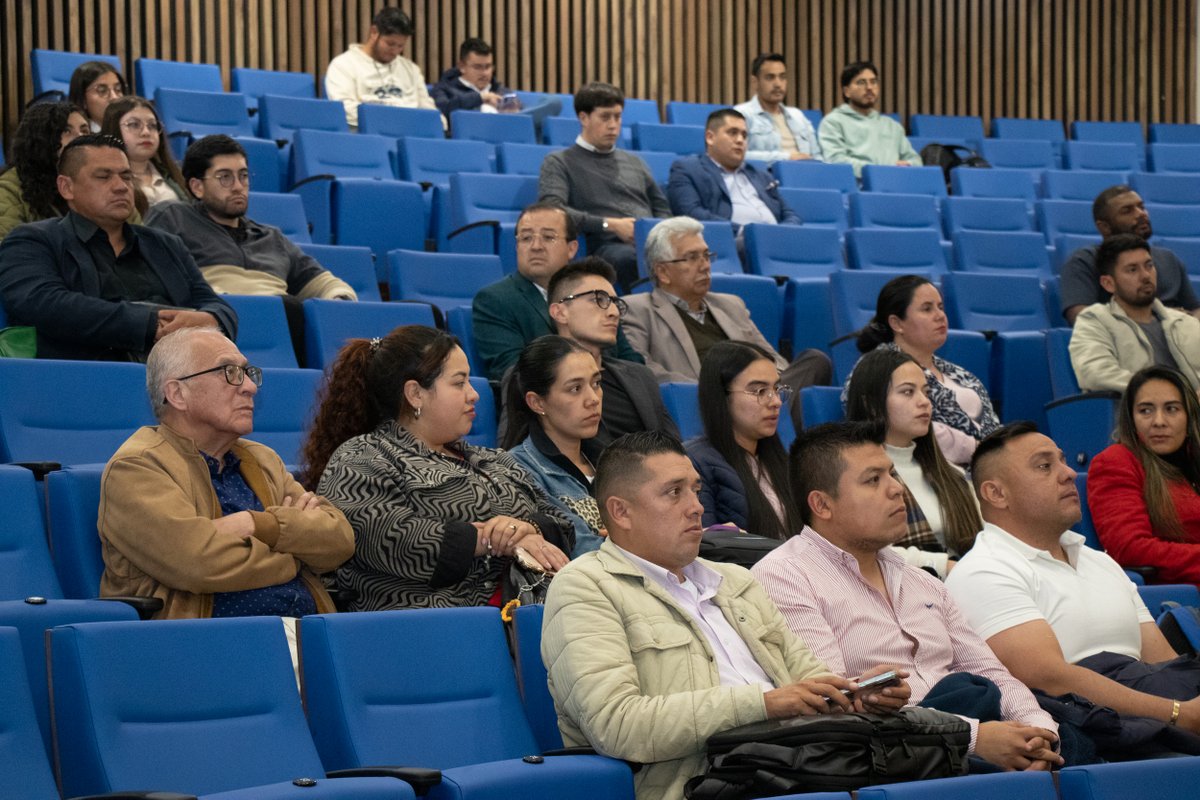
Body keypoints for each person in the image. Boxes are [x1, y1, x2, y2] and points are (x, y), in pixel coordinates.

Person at [542, 430, 911, 800]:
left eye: (695, 490)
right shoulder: (586, 586)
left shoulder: (734, 581)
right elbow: (617, 725)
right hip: (696, 785)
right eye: (674, 492)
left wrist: (853, 694)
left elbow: (808, 678)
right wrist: (763, 705)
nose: (696, 507)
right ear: (621, 511)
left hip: (795, 767)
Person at [752, 422, 1063, 772]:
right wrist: (976, 737)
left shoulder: (920, 580)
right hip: (893, 755)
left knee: (995, 695)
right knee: (967, 691)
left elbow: (991, 670)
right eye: (873, 480)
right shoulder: (783, 577)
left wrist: (1039, 732)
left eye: (892, 475)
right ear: (822, 504)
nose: (897, 489)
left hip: (980, 737)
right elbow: (832, 702)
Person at [946, 422, 1200, 738]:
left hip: (1156, 720)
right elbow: (1050, 682)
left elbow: (1165, 665)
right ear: (996, 493)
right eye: (1044, 466)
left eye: (1063, 461)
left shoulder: (1101, 562)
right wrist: (1178, 713)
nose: (1068, 473)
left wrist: (1185, 710)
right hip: (1093, 734)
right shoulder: (983, 570)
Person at [302, 325, 573, 611]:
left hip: (531, 610)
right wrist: (491, 540)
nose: (474, 394)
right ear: (415, 394)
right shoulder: (362, 457)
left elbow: (562, 523)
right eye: (459, 383)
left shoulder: (494, 459)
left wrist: (526, 529)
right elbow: (385, 540)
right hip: (427, 627)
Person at [99, 327, 353, 620]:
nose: (250, 387)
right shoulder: (137, 467)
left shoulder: (262, 458)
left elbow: (339, 540)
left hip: (307, 632)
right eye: (229, 372)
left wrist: (257, 525)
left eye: (247, 373)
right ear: (178, 393)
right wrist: (298, 555)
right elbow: (196, 563)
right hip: (211, 646)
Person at [0, 134, 235, 361]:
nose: (121, 186)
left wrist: (208, 319)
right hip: (83, 377)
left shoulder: (166, 244)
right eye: (104, 177)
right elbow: (48, 305)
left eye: (126, 176)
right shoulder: (32, 241)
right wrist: (148, 323)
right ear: (66, 187)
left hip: (176, 375)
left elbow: (216, 306)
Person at [623, 216, 832, 428]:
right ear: (663, 272)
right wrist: (714, 389)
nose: (705, 265)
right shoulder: (637, 310)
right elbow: (642, 370)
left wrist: (761, 389)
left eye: (706, 256)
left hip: (759, 393)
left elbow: (772, 358)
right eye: (692, 257)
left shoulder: (731, 305)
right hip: (707, 403)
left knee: (815, 360)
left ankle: (766, 426)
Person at [146, 134, 355, 300]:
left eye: (243, 176)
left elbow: (323, 282)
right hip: (214, 324)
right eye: (225, 177)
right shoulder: (173, 217)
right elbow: (153, 280)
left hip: (283, 321)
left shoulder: (271, 237)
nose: (238, 187)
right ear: (197, 187)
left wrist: (338, 299)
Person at [845, 347, 984, 576]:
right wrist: (945, 566)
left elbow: (987, 539)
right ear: (871, 403)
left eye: (926, 392)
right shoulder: (854, 476)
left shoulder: (953, 474)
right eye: (908, 392)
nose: (925, 403)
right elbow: (862, 550)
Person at [471, 202, 642, 383]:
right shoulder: (495, 299)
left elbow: (630, 360)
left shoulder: (594, 294)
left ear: (572, 248)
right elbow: (512, 371)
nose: (536, 246)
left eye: (548, 237)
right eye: (526, 238)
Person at [846, 274, 1000, 466]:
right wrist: (986, 451)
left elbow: (993, 425)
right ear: (897, 323)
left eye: (941, 307)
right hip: (933, 471)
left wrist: (1000, 450)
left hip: (986, 465)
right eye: (927, 309)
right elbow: (890, 429)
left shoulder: (959, 373)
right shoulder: (874, 369)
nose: (940, 316)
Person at [538, 81, 671, 291]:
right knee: (632, 259)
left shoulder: (636, 162)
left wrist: (652, 235)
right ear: (583, 118)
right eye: (605, 117)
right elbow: (553, 210)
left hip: (648, 242)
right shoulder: (560, 161)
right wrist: (610, 225)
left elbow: (661, 207)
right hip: (605, 246)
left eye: (617, 117)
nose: (613, 125)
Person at [1088, 366, 1200, 585]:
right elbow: (1131, 549)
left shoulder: (1195, 457)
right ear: (1131, 418)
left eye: (1172, 409)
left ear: (1189, 417)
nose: (1159, 421)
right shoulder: (1116, 462)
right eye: (1145, 411)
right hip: (1179, 598)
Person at [546, 258, 679, 441]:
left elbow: (673, 444)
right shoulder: (535, 377)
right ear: (560, 312)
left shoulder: (640, 376)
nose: (614, 312)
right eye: (598, 300)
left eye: (615, 303)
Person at [686, 341, 802, 539]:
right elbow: (706, 549)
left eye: (776, 389)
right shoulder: (695, 463)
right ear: (722, 397)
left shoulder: (782, 459)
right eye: (759, 391)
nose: (775, 402)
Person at [502, 335, 606, 556]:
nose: (593, 399)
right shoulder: (519, 470)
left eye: (596, 383)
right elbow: (580, 549)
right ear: (537, 402)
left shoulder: (615, 459)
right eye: (575, 389)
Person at [1069, 233, 1200, 392]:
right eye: (1132, 270)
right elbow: (1095, 374)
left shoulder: (1184, 322)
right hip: (1141, 412)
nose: (1145, 275)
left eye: (1149, 265)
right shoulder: (1094, 320)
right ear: (1108, 283)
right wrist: (1169, 393)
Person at [1060, 185, 1200, 326]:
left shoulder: (1168, 258)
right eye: (1127, 211)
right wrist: (1157, 320)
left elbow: (1195, 309)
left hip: (1179, 339)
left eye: (1142, 207)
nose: (1141, 214)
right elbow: (1082, 318)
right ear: (1104, 227)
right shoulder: (1084, 260)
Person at [666, 108, 802, 232]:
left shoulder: (761, 175)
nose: (740, 140)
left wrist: (786, 232)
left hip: (776, 239)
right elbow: (691, 213)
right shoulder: (688, 169)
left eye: (744, 135)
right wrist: (746, 232)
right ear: (710, 138)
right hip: (733, 241)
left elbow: (790, 214)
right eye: (733, 133)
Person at [324, 7, 438, 129]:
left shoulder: (411, 69)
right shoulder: (343, 65)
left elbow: (428, 111)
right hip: (365, 136)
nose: (395, 51)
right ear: (374, 32)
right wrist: (388, 119)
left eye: (400, 46)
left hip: (410, 133)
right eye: (390, 44)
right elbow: (344, 109)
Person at [0, 101, 92, 240]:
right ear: (42, 139)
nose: (80, 137)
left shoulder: (101, 180)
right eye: (67, 131)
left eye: (84, 131)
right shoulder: (9, 190)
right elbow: (8, 251)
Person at [818, 61, 921, 178]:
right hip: (859, 188)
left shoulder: (892, 125)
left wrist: (908, 164)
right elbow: (836, 161)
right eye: (861, 82)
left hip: (895, 185)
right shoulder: (833, 122)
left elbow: (915, 160)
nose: (869, 87)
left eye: (873, 82)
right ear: (847, 91)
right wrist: (880, 170)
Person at [100, 96, 187, 212]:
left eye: (152, 126)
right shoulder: (103, 179)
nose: (146, 132)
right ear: (113, 129)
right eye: (134, 125)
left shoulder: (174, 173)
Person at [734, 53, 823, 163]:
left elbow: (817, 156)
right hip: (766, 177)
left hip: (805, 175)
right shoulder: (741, 114)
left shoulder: (798, 116)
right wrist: (786, 157)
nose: (778, 84)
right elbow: (737, 154)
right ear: (755, 82)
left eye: (782, 77)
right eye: (770, 77)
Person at [431, 37, 515, 118]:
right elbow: (442, 111)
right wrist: (480, 98)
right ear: (462, 66)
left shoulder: (499, 89)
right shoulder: (443, 89)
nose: (484, 73)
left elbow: (517, 108)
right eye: (477, 67)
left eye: (488, 67)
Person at [67, 60, 125, 132]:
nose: (114, 97)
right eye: (102, 90)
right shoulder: (77, 138)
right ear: (82, 99)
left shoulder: (131, 134)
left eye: (118, 89)